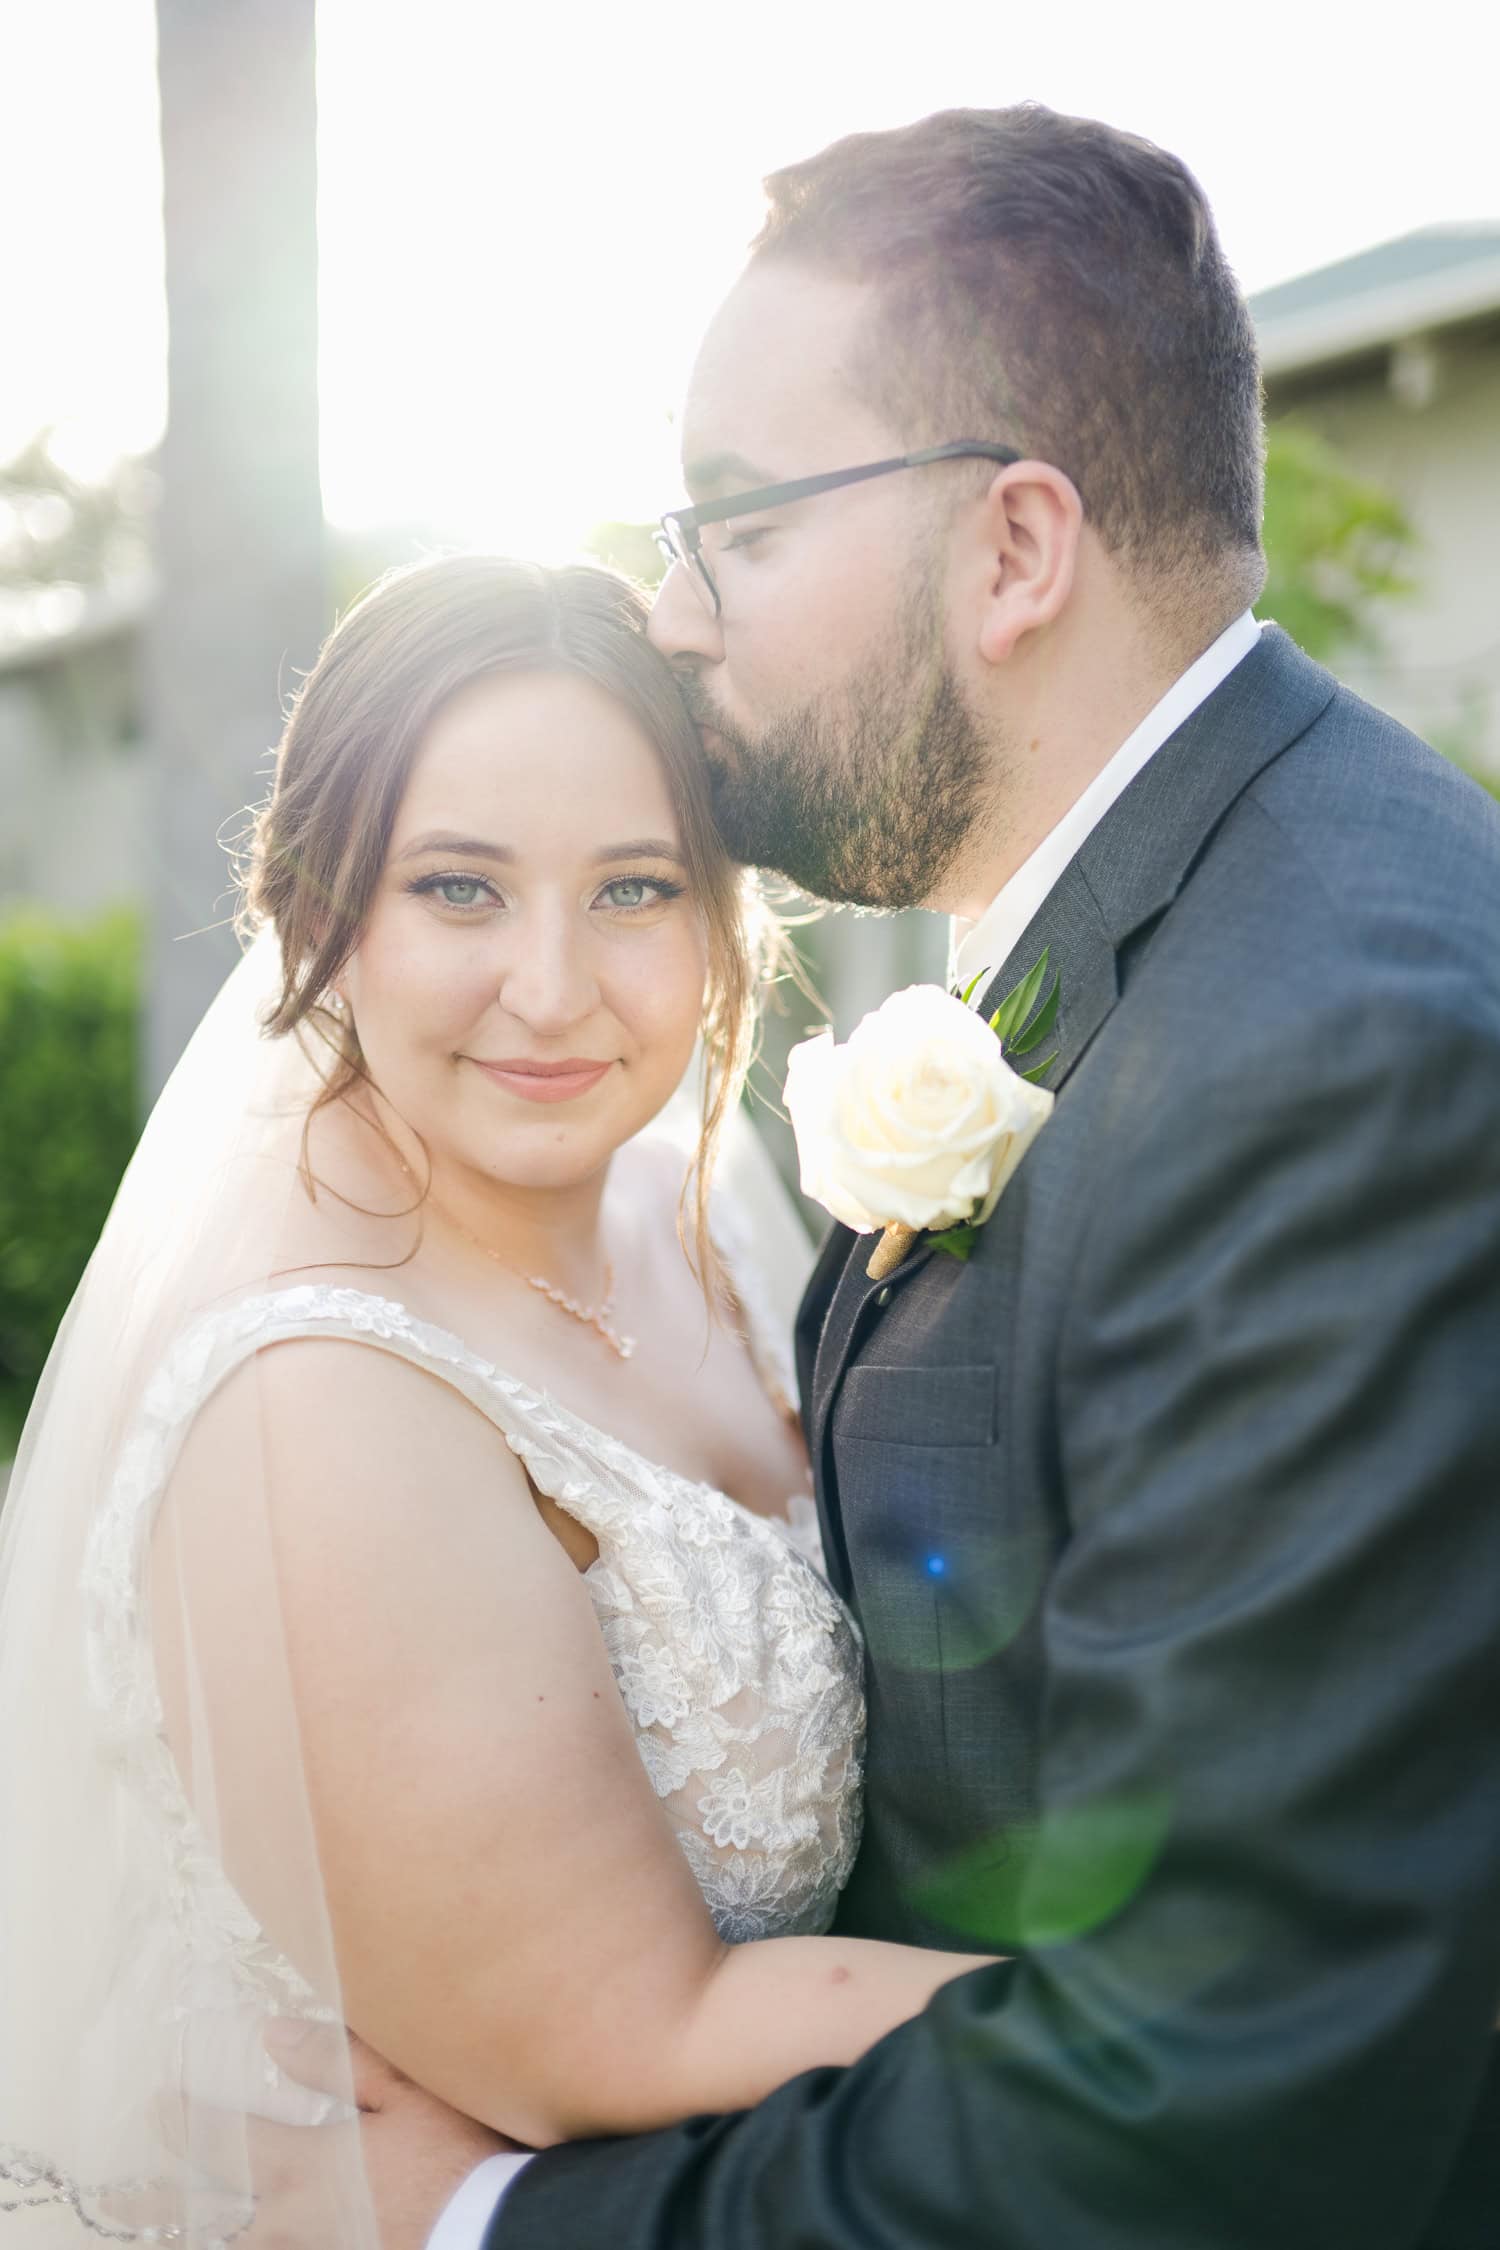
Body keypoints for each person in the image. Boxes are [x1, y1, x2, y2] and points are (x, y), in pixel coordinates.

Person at [295, 104, 1500, 2250]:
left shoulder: (1327, 1052)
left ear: (1016, 552)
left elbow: (1228, 2120)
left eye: (740, 524)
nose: (669, 612)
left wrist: (477, 2224)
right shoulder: (1179, 939)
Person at [0, 556, 1009, 2248]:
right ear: (320, 909)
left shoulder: (682, 1217)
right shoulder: (316, 1397)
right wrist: (1246, 2001)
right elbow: (641, 2033)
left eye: (633, 889)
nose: (550, 988)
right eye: (459, 889)